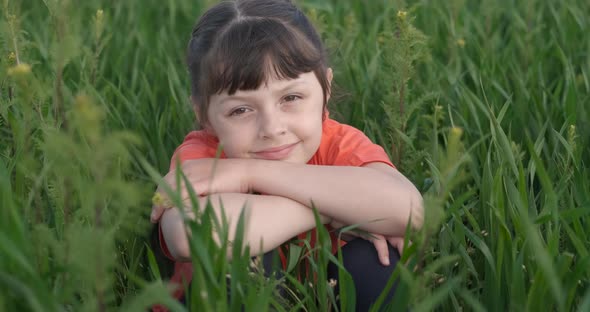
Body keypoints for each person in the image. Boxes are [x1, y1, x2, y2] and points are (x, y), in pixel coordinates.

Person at [150, 0, 424, 310]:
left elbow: (411, 211)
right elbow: (191, 235)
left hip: (324, 291)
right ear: (205, 115)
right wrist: (335, 214)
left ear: (326, 88)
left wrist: (248, 174)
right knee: (242, 254)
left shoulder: (337, 143)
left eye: (291, 97)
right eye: (241, 109)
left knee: (376, 259)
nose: (272, 128)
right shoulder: (204, 157)